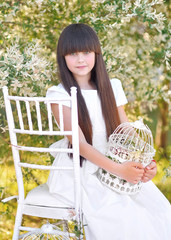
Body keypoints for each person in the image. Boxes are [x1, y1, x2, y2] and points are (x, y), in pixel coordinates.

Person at [46, 23, 171, 240]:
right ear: (62, 57)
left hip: (116, 158)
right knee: (123, 215)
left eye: (86, 52)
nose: (81, 59)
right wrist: (118, 170)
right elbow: (80, 145)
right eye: (73, 53)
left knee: (159, 210)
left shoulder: (112, 87)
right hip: (81, 168)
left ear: (97, 53)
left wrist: (146, 163)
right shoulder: (59, 94)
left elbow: (127, 132)